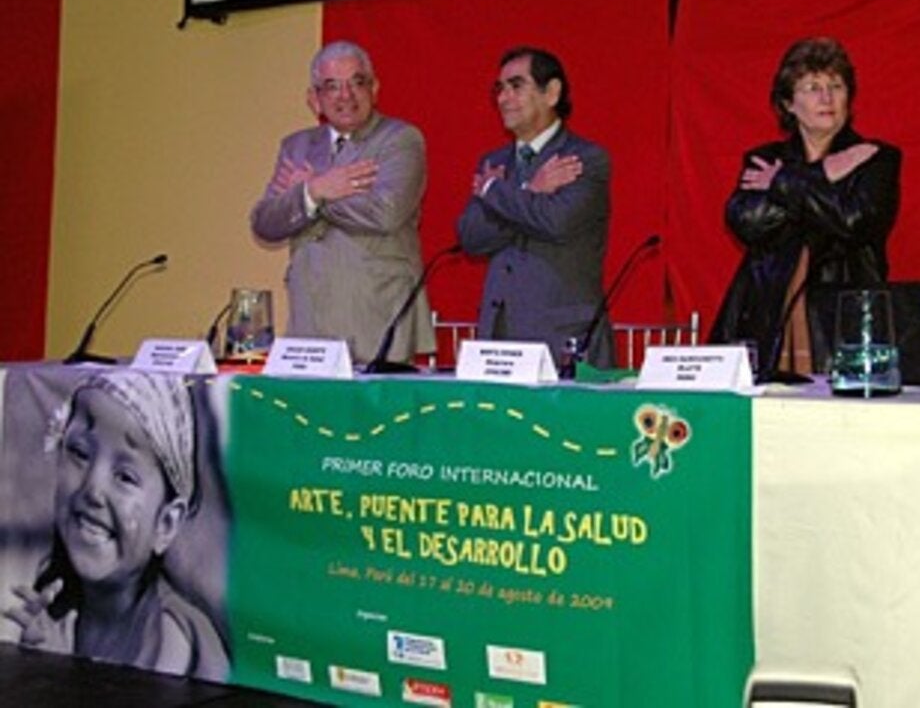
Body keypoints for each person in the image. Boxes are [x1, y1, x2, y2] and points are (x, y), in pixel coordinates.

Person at [3, 371, 229, 680]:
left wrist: (60, 672)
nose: (93, 489)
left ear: (166, 523)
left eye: (125, 476)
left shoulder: (170, 633)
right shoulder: (58, 601)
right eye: (80, 453)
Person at [710, 37, 901, 380]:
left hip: (845, 321)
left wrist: (784, 184)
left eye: (836, 86)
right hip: (767, 319)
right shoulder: (765, 159)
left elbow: (854, 221)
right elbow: (748, 222)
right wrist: (822, 177)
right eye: (812, 87)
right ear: (788, 103)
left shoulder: (875, 158)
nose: (827, 97)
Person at [250, 40, 434, 364]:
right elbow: (265, 222)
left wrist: (314, 195)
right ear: (314, 99)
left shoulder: (400, 139)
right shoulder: (296, 146)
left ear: (374, 88)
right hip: (309, 326)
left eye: (356, 83)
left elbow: (385, 213)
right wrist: (314, 191)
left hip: (378, 320)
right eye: (331, 86)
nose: (345, 95)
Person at [457, 46, 613, 367]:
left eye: (516, 86)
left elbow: (555, 222)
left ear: (552, 92)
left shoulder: (584, 158)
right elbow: (471, 237)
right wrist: (529, 189)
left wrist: (496, 194)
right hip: (499, 335)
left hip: (563, 337)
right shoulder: (494, 163)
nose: (503, 98)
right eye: (499, 89)